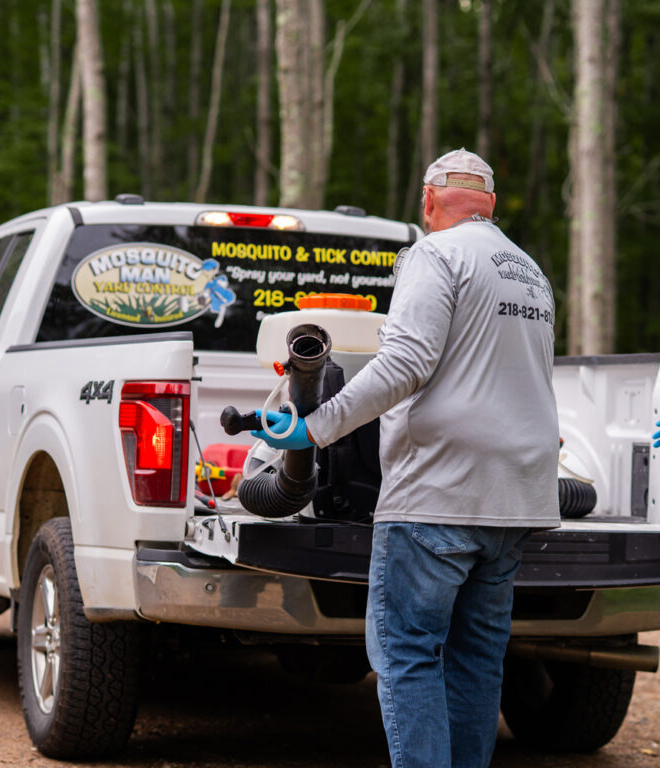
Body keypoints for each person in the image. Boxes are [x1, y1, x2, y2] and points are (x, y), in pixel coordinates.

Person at [250, 148, 560, 768]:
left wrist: (314, 428)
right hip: (516, 501)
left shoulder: (434, 254)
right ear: (491, 205)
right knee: (476, 659)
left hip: (438, 497)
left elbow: (405, 365)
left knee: (408, 652)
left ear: (427, 202)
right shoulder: (530, 273)